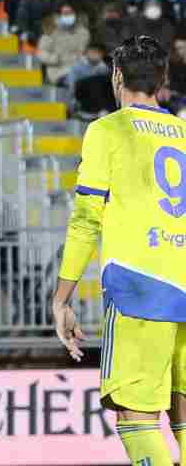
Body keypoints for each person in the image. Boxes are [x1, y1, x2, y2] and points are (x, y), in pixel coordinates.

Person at [53, 36, 186, 466]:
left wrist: (62, 297)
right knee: (182, 415)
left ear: (116, 77)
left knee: (137, 416)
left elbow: (86, 219)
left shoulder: (107, 130)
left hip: (141, 288)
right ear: (163, 81)